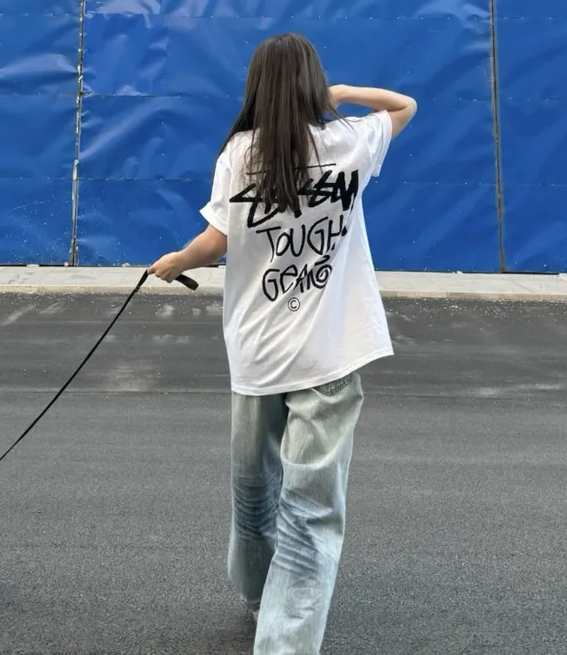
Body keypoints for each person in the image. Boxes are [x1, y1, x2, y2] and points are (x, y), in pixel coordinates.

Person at [148, 32, 417, 655]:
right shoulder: (348, 142)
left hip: (258, 353)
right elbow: (404, 106)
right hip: (330, 352)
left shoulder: (240, 153)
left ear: (257, 88)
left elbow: (215, 242)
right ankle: (280, 619)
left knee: (253, 492)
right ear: (310, 83)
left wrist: (176, 261)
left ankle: (264, 602)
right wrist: (341, 94)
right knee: (310, 510)